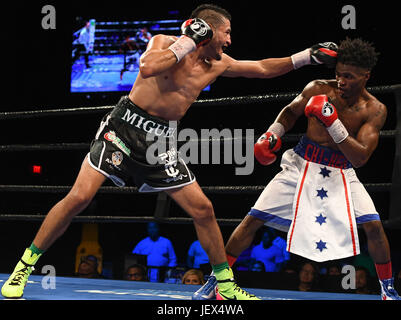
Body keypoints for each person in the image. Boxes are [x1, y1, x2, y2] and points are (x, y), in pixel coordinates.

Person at [1, 4, 337, 300]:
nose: (230, 41)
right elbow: (148, 67)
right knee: (78, 198)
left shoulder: (218, 64)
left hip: (161, 142)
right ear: (207, 29)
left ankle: (224, 284)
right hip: (123, 128)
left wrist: (308, 55)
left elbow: (263, 68)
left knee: (203, 209)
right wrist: (188, 40)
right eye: (226, 33)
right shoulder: (164, 42)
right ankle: (24, 266)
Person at [194, 38, 400, 300]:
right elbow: (290, 112)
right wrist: (271, 134)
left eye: (349, 77)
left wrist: (332, 122)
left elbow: (360, 158)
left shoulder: (375, 110)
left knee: (373, 225)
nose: (341, 82)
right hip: (300, 165)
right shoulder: (318, 88)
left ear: (366, 76)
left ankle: (387, 289)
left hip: (340, 172)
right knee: (253, 219)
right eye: (338, 75)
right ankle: (217, 281)